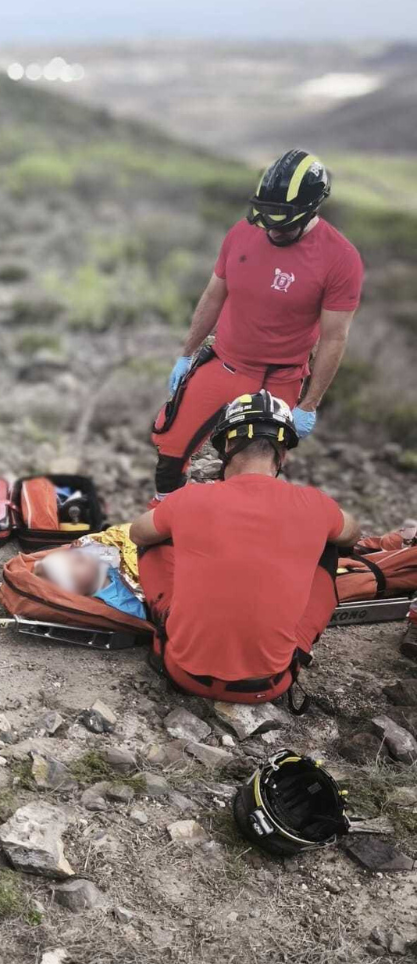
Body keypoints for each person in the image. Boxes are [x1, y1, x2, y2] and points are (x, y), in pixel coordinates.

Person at [151, 150, 363, 498]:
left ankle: (233, 538)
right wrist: (187, 353)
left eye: (283, 223)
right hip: (223, 362)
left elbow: (334, 338)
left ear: (313, 209)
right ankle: (163, 523)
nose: (273, 230)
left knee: (253, 477)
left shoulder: (340, 259)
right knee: (170, 450)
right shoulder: (242, 232)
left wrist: (308, 405)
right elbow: (213, 296)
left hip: (279, 379)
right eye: (266, 218)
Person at [131, 392, 361, 703]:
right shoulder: (314, 504)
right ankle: (289, 647)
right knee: (329, 548)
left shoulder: (190, 499)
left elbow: (137, 533)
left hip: (183, 672)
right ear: (283, 453)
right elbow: (352, 534)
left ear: (227, 446)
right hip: (268, 685)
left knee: (154, 540)